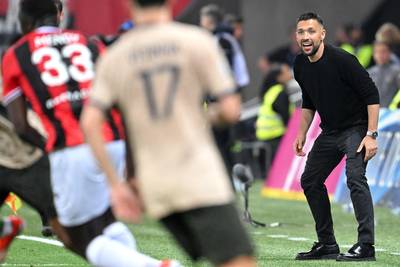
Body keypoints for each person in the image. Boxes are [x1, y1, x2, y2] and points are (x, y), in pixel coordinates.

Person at [2, 0, 177, 266]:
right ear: (59, 16)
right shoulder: (90, 44)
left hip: (71, 148)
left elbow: (21, 125)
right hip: (113, 142)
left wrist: (49, 147)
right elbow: (123, 101)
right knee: (106, 223)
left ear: (23, 22)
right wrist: (132, 163)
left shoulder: (17, 54)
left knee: (74, 235)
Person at [81, 0, 256, 266]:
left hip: (154, 184)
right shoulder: (196, 41)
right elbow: (231, 110)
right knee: (237, 260)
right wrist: (201, 116)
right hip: (197, 173)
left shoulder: (115, 55)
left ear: (128, 4)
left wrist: (115, 185)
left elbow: (90, 121)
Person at [293, 12, 380, 261]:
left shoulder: (343, 59)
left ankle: (366, 246)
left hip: (356, 128)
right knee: (310, 180)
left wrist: (371, 135)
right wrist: (302, 133)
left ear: (322, 34)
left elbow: (372, 95)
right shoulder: (299, 64)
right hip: (330, 131)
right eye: (301, 32)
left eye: (311, 31)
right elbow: (308, 101)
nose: (306, 36)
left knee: (355, 178)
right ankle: (327, 244)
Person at [256, 63, 293, 177]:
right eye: (286, 71)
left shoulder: (270, 92)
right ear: (279, 77)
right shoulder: (280, 93)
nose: (290, 73)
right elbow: (286, 118)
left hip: (264, 135)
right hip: (275, 135)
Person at [368, 41, 400, 107]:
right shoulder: (369, 73)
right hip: (375, 113)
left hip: (393, 113)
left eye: (383, 51)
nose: (380, 55)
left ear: (390, 53)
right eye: (377, 52)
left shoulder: (397, 71)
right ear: (373, 54)